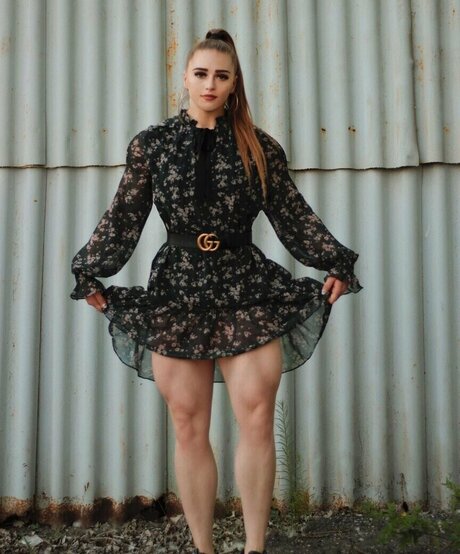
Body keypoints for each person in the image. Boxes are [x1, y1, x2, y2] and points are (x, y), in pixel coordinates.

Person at [70, 28, 361, 554]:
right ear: (185, 77)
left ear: (233, 83)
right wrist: (91, 269)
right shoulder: (153, 145)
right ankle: (203, 548)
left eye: (221, 76)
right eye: (201, 73)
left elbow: (292, 215)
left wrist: (335, 261)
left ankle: (254, 549)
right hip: (176, 292)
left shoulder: (259, 147)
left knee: (256, 418)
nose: (210, 84)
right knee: (188, 424)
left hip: (246, 288)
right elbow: (124, 216)